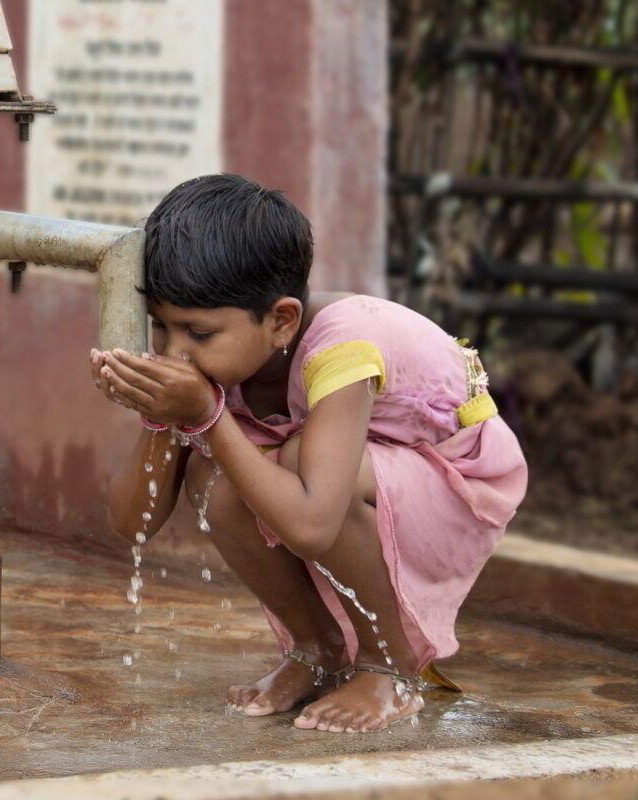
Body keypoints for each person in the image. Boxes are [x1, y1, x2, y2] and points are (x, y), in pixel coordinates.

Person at [89, 174, 527, 733]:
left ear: (282, 320)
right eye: (160, 328)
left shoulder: (344, 345)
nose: (176, 353)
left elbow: (315, 523)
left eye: (198, 333)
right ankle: (316, 651)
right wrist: (160, 414)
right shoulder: (228, 356)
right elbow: (133, 525)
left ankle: (388, 668)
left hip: (462, 479)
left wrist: (205, 414)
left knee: (294, 462)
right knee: (212, 476)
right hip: (369, 471)